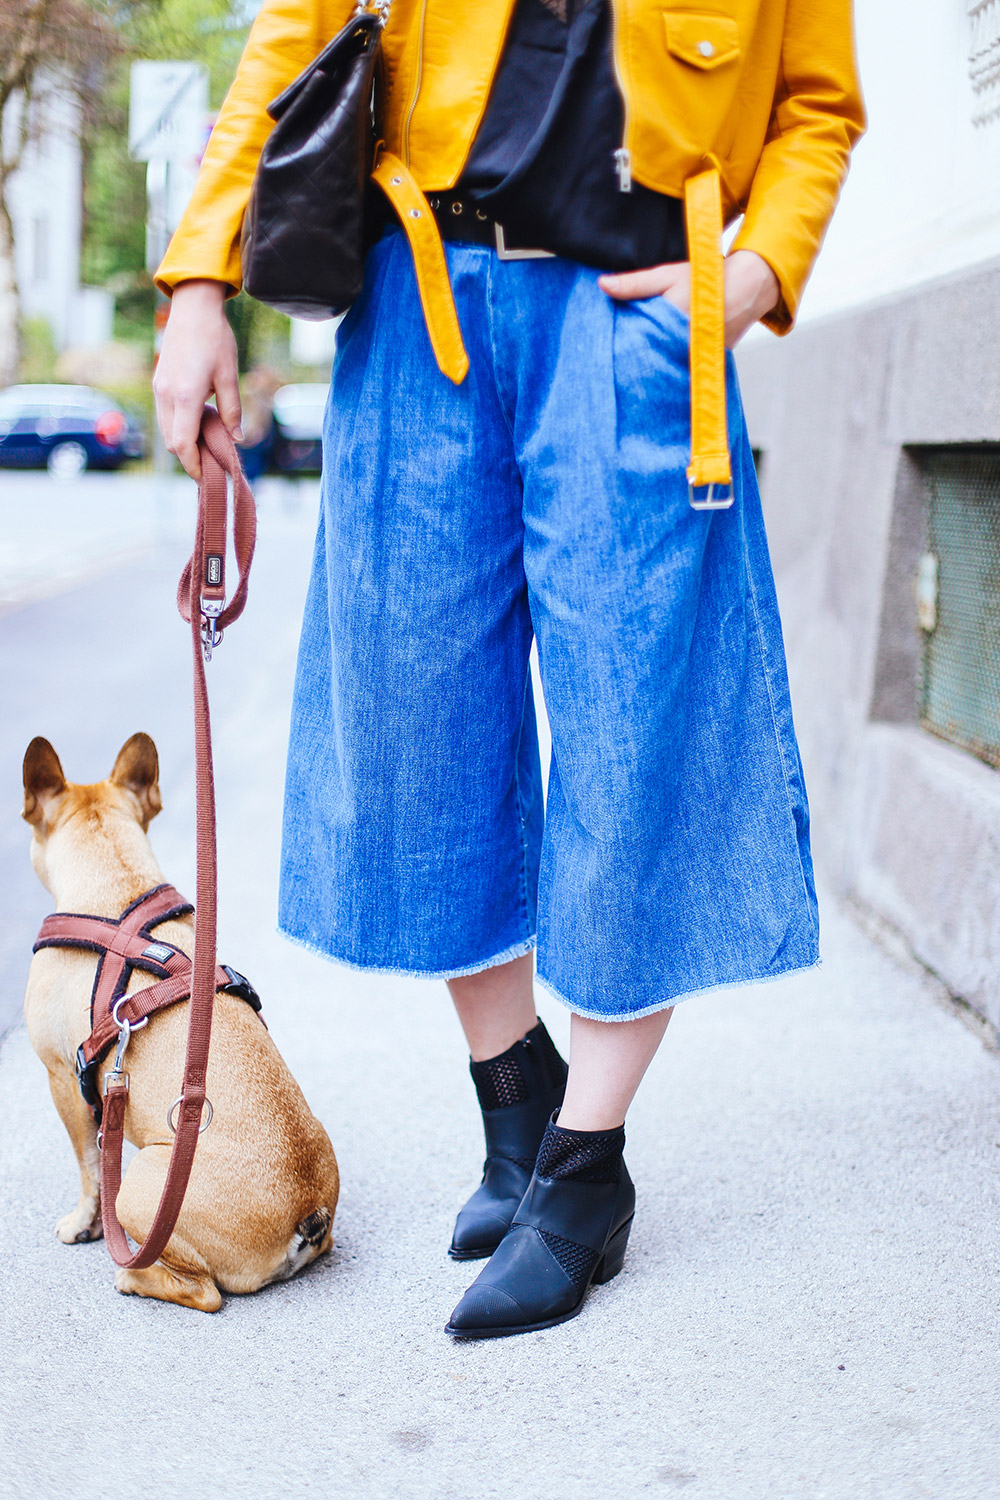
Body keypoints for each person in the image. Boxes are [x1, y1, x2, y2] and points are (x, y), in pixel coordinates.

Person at [153, 0, 864, 1339]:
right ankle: (515, 1100)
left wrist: (763, 266)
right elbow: (290, 44)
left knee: (636, 725)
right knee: (413, 723)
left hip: (636, 314)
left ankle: (583, 1175)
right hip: (421, 306)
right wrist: (199, 289)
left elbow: (816, 105)